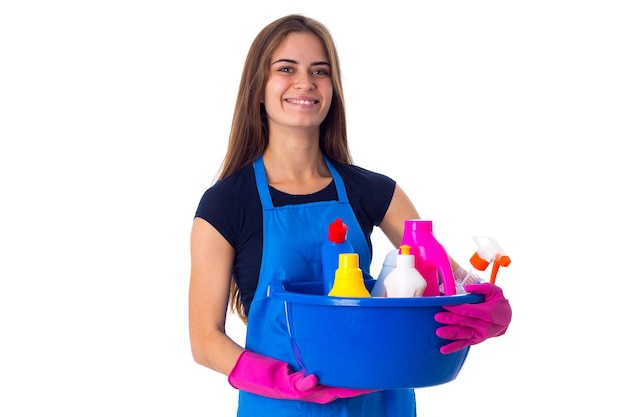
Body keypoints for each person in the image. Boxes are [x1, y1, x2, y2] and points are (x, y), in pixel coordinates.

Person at [188, 14, 512, 417]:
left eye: (319, 71)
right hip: (280, 407)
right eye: (286, 68)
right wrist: (274, 379)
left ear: (333, 89)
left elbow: (448, 280)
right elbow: (204, 339)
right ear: (259, 87)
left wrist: (485, 306)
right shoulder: (225, 204)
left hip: (378, 406)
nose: (304, 82)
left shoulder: (375, 192)